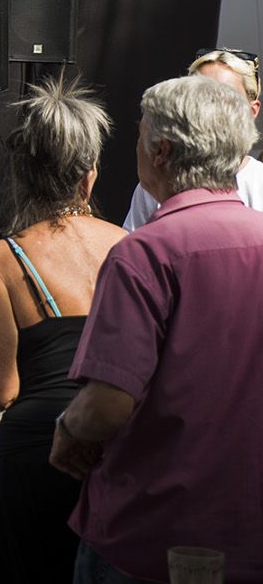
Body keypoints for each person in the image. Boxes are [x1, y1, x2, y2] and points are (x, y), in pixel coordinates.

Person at [52, 74, 263, 582]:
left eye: (140, 134)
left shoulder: (145, 253)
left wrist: (67, 429)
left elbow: (107, 404)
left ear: (161, 152)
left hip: (150, 529)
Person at [0, 78, 122, 583]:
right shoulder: (130, 246)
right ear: (89, 176)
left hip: (33, 461)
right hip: (110, 453)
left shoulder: (5, 257)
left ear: (23, 174)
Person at [121, 46, 263, 228]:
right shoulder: (159, 180)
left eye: (227, 99)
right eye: (199, 97)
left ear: (252, 111)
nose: (209, 109)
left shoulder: (258, 182)